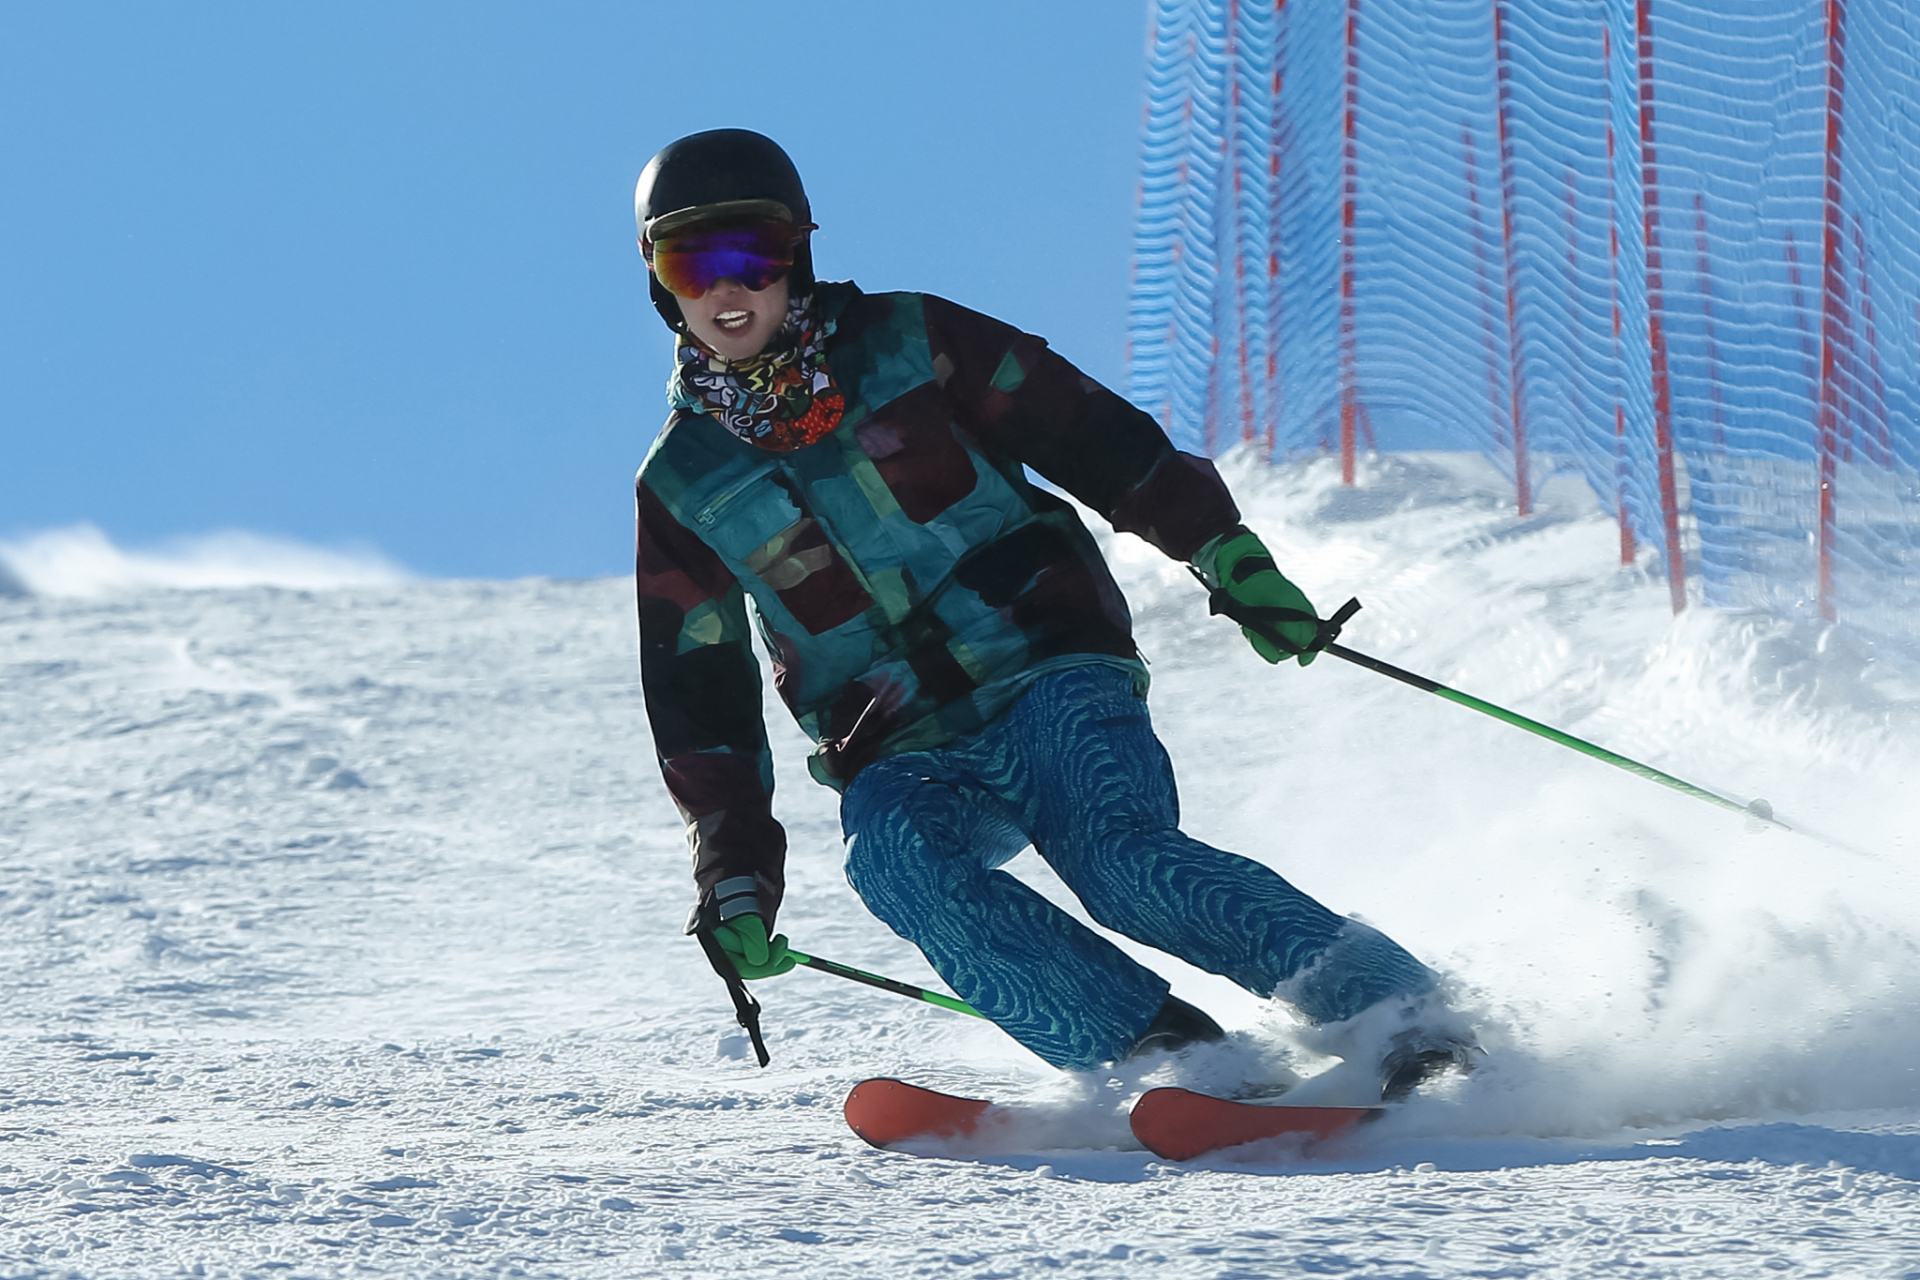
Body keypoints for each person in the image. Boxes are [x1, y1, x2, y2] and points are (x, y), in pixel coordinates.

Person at [632, 128, 1473, 1099]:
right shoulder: (684, 481)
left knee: (1116, 859)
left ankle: (1401, 1013)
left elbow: (1088, 430)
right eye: (692, 261)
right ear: (661, 282)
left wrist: (1222, 548)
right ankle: (1168, 1055)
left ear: (796, 257)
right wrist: (735, 874)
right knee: (898, 864)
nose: (726, 287)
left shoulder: (910, 338)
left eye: (754, 254)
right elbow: (702, 702)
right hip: (895, 739)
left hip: (1045, 661)